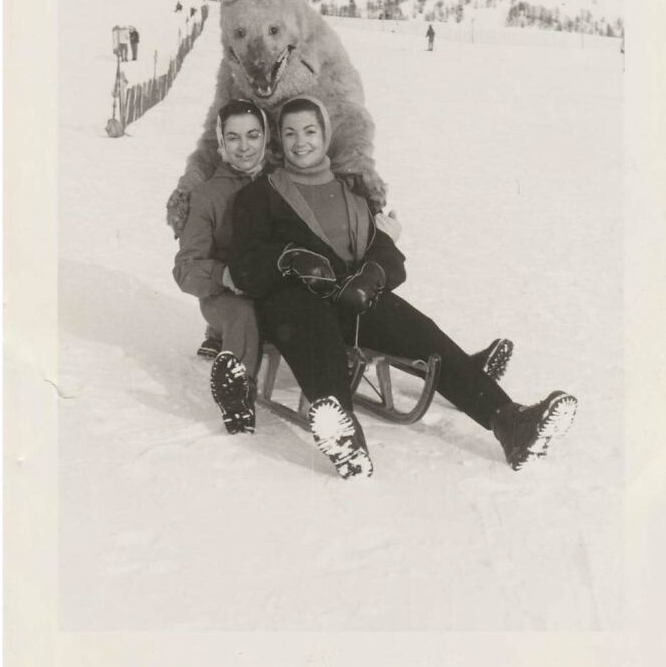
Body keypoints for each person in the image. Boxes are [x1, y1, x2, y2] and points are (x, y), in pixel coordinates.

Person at [225, 96, 576, 479]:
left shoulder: (352, 191)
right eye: (290, 133)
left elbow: (382, 247)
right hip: (290, 305)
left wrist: (373, 275)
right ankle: (343, 432)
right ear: (279, 138)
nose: (300, 142)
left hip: (348, 298)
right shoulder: (259, 195)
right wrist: (287, 258)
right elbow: (242, 266)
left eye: (310, 131)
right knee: (313, 325)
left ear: (325, 135)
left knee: (418, 329)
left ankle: (510, 422)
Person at [173, 100, 269, 434]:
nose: (244, 147)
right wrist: (223, 275)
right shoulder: (208, 195)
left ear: (266, 137)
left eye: (253, 135)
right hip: (225, 296)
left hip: (272, 288)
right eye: (233, 137)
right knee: (244, 314)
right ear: (221, 142)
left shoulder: (280, 182)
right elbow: (186, 269)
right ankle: (238, 395)